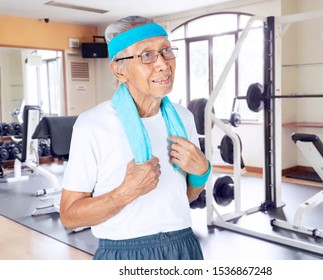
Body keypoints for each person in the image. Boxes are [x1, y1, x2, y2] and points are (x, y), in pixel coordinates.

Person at [59, 15, 212, 260]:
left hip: (184, 246)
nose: (163, 64)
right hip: (125, 253)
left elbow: (185, 197)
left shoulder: (183, 119)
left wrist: (202, 171)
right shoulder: (92, 125)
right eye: (146, 55)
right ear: (120, 71)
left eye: (166, 51)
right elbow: (69, 215)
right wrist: (125, 192)